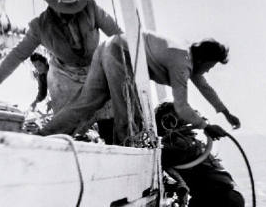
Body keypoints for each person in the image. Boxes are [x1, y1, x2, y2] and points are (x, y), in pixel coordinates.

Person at [0, 0, 121, 141]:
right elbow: (18, 54)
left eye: (73, 7)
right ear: (53, 5)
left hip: (95, 68)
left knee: (111, 117)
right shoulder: (39, 27)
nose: (71, 13)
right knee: (67, 125)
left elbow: (118, 34)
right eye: (65, 8)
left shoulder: (92, 9)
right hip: (65, 76)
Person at [37, 31, 241, 144]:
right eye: (211, 66)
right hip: (121, 52)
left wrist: (225, 113)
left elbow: (205, 88)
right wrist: (205, 127)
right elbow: (181, 107)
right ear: (204, 59)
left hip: (109, 44)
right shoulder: (182, 63)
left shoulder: (187, 55)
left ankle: (42, 136)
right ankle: (124, 157)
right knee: (128, 112)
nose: (208, 71)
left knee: (87, 103)